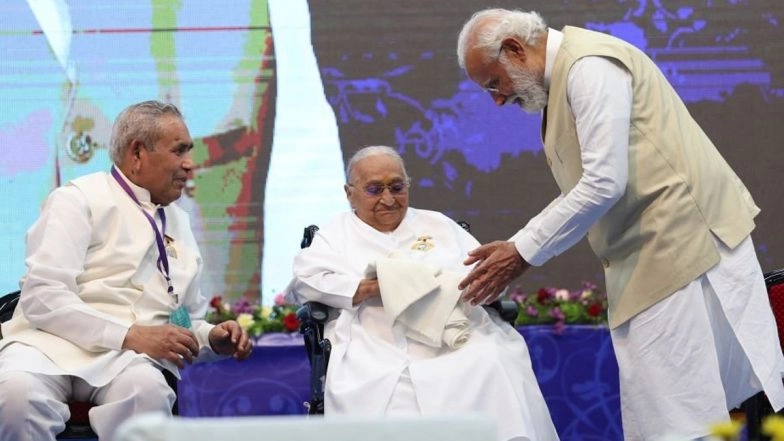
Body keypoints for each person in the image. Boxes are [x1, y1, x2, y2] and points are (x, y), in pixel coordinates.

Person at [455, 8, 784, 440]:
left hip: (683, 251)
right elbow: (593, 184)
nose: (497, 100)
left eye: (493, 83)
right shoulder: (566, 76)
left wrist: (521, 252)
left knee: (679, 424)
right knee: (670, 420)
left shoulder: (589, 67)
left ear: (515, 49)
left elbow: (603, 183)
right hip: (655, 257)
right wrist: (520, 246)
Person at [0, 100, 253, 441]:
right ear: (137, 153)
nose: (189, 164)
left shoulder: (179, 222)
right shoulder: (78, 198)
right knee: (16, 395)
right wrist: (130, 335)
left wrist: (211, 338)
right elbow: (43, 297)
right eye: (179, 151)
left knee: (147, 392)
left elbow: (181, 318)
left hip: (125, 359)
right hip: (47, 346)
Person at [287, 145, 559, 441]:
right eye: (374, 189)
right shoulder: (334, 234)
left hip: (453, 337)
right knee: (379, 386)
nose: (388, 199)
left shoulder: (438, 224)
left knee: (492, 359)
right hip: (374, 341)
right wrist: (377, 287)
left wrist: (461, 287)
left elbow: (487, 277)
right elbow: (305, 282)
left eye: (397, 187)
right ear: (349, 193)